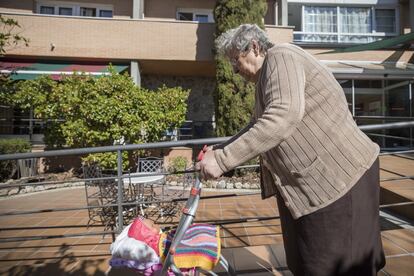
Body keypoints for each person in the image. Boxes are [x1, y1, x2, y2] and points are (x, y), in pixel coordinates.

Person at [196, 24, 385, 275]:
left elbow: (282, 117)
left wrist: (221, 160)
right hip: (314, 186)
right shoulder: (265, 79)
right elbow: (257, 125)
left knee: (340, 265)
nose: (234, 69)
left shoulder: (282, 56)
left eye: (235, 60)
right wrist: (220, 149)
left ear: (254, 47)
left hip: (340, 180)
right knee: (307, 263)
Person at [109, 216, 221, 275]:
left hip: (169, 246)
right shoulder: (151, 246)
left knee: (187, 233)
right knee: (187, 243)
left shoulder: (159, 236)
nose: (157, 224)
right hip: (171, 262)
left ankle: (198, 234)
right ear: (149, 233)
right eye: (153, 225)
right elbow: (160, 250)